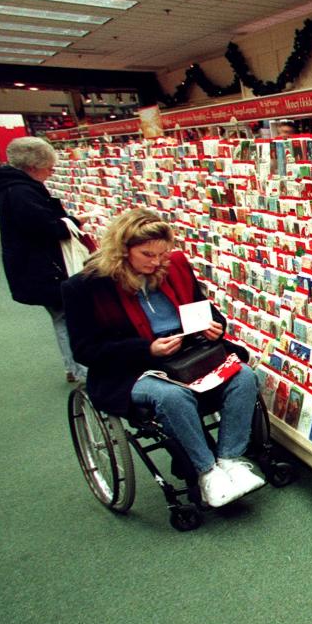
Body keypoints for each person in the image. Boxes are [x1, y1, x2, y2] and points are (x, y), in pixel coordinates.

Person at [62, 207, 265, 502]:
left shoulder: (175, 265)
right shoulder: (84, 287)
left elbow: (204, 308)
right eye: (147, 254)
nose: (157, 262)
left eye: (162, 254)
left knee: (244, 376)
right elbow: (84, 350)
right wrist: (146, 349)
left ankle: (230, 460)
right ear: (122, 250)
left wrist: (214, 328)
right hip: (130, 367)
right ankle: (206, 471)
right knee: (172, 397)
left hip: (189, 354)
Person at [0, 136, 88, 382]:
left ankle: (73, 366)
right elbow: (45, 229)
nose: (52, 171)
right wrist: (73, 223)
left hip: (35, 268)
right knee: (66, 316)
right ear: (32, 166)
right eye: (49, 167)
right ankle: (80, 369)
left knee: (61, 315)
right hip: (43, 270)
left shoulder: (14, 187)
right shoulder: (21, 192)